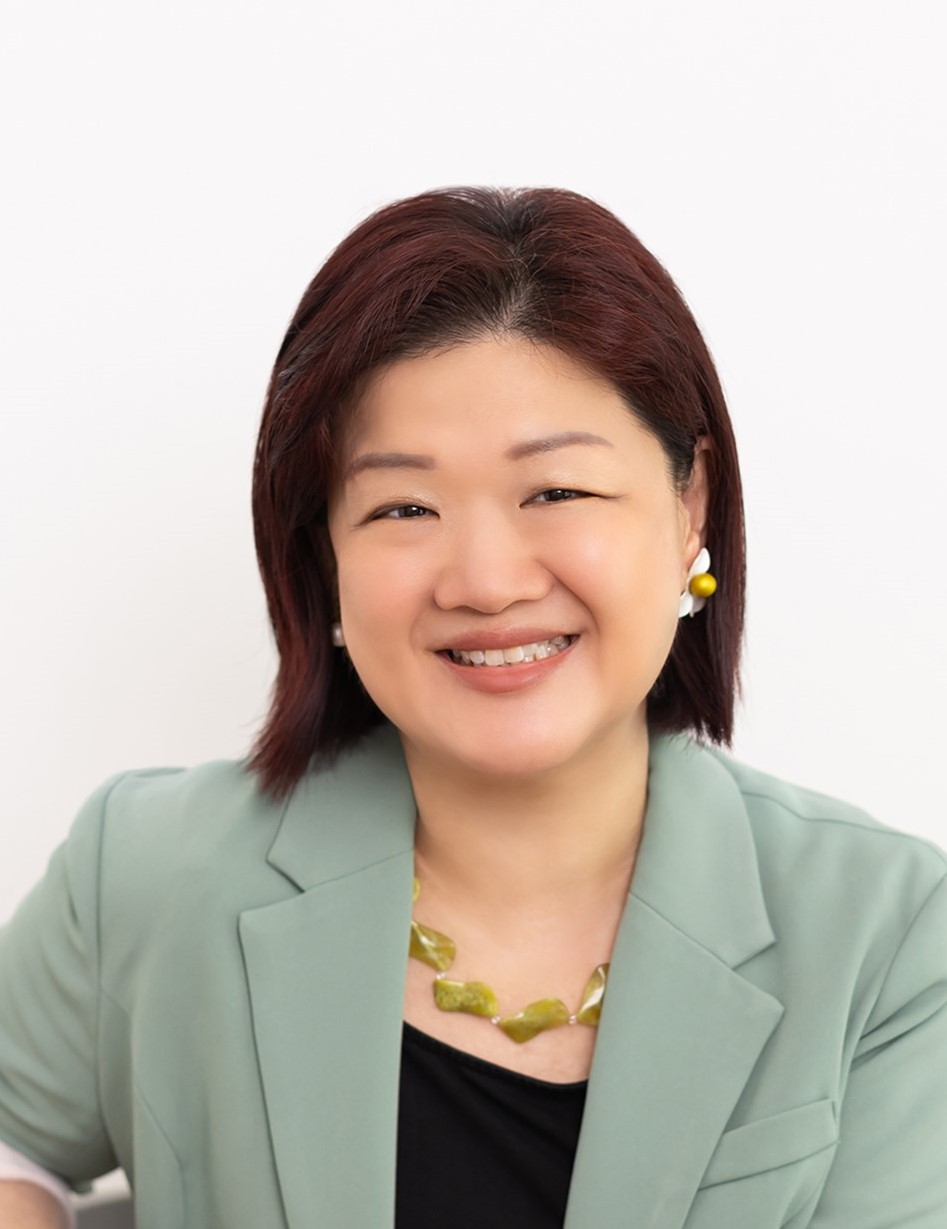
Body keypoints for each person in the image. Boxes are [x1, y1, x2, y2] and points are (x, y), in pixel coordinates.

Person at [1, 187, 945, 1229]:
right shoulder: (146, 869)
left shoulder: (890, 936)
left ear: (690, 507)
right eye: (403, 506)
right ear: (325, 553)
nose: (486, 582)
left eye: (556, 492)